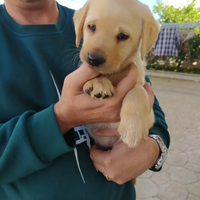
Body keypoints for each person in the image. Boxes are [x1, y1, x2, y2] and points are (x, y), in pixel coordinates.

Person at [0, 0, 170, 199]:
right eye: (92, 28)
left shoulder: (104, 12)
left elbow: (148, 99)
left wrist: (153, 148)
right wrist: (61, 119)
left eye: (122, 36)